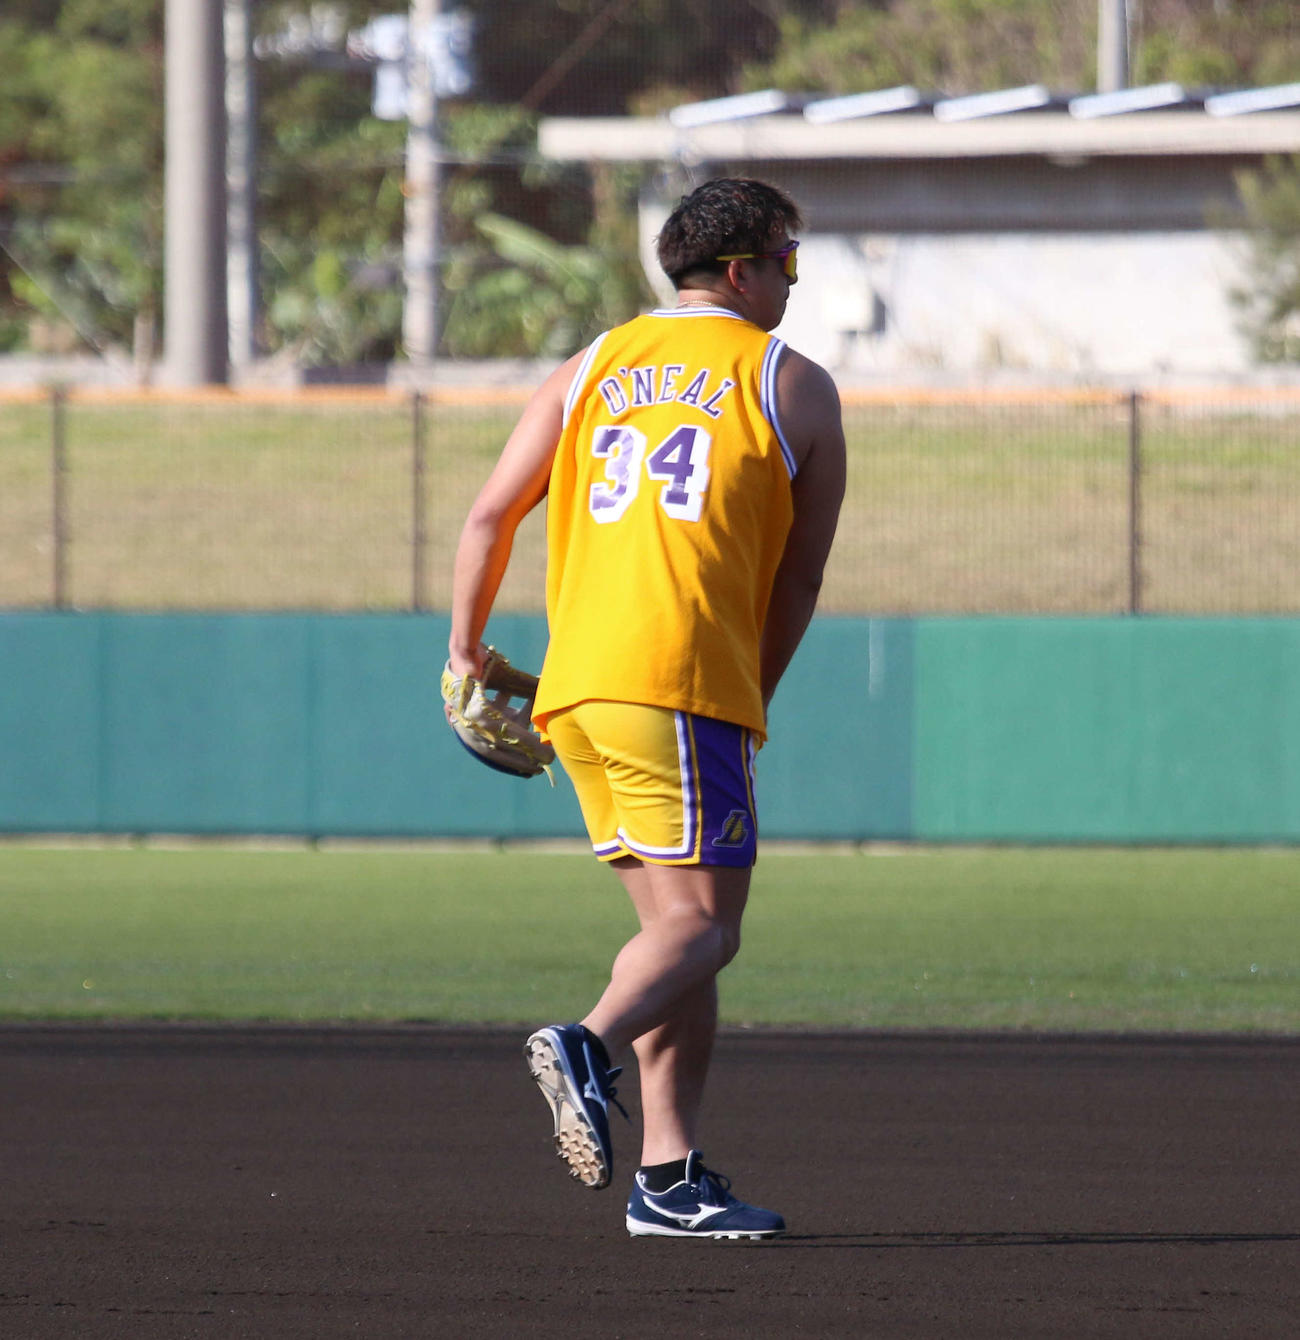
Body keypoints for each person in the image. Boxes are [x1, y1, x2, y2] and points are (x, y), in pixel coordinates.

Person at [447, 177, 846, 1240]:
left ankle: (668, 1178)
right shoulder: (787, 380)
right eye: (787, 260)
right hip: (680, 687)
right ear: (741, 269)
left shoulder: (591, 364)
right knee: (710, 929)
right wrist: (746, 697)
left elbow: (490, 513)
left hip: (574, 694)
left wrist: (463, 651)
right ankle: (586, 1041)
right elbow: (798, 580)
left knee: (676, 932)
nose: (791, 281)